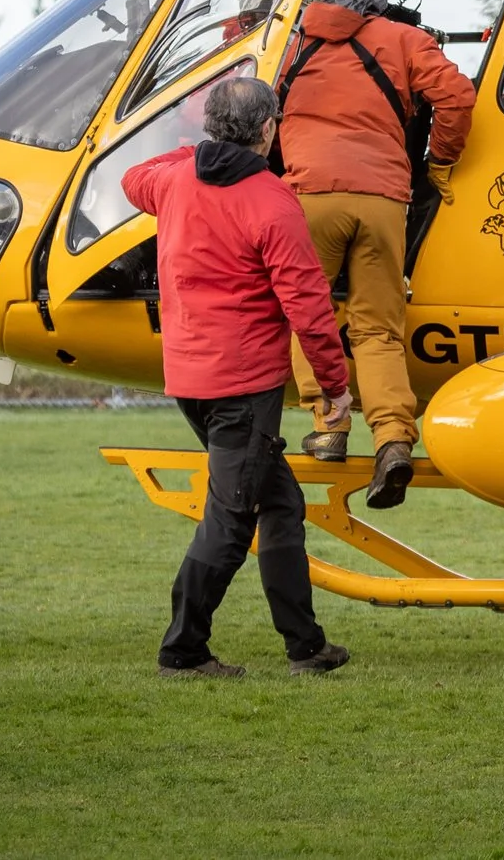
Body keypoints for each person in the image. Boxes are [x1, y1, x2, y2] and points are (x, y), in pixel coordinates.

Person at [122, 76, 355, 679]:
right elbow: (308, 305)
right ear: (270, 129)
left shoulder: (175, 181)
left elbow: (132, 177)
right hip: (243, 386)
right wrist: (334, 384)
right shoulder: (273, 200)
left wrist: (192, 152)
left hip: (191, 379)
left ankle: (306, 644)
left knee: (280, 502)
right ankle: (183, 649)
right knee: (231, 519)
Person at [279, 0, 477, 508]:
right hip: (384, 199)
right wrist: (439, 159)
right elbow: (458, 97)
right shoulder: (403, 40)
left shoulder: (289, 45)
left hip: (309, 197)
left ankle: (329, 429)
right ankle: (392, 438)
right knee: (379, 329)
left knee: (308, 314)